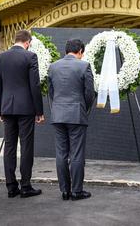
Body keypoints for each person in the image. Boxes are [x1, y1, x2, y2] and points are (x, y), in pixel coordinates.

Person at [0, 30, 45, 198]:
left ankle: (11, 187)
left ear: (15, 40)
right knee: (26, 147)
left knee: (9, 147)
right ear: (27, 42)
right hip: (26, 109)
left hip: (7, 108)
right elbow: (35, 85)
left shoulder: (1, 58)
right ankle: (25, 186)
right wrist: (39, 111)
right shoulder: (30, 57)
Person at [48, 39, 95, 201]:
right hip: (76, 114)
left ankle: (64, 191)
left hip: (58, 114)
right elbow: (90, 94)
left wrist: (58, 106)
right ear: (80, 51)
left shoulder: (53, 67)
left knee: (61, 153)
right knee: (76, 153)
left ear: (66, 50)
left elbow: (51, 92)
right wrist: (83, 108)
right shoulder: (84, 66)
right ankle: (76, 191)